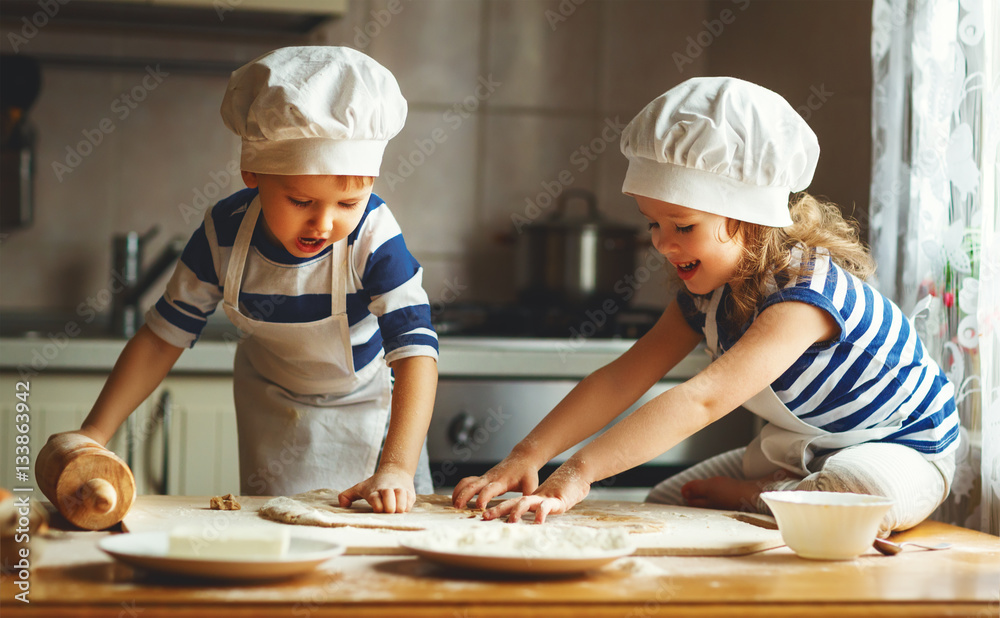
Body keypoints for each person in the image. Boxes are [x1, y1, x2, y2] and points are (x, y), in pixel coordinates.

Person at [452, 77, 959, 535]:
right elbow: (620, 378)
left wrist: (578, 473)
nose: (661, 244)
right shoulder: (703, 297)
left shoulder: (807, 294)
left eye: (683, 226)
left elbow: (704, 399)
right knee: (668, 502)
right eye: (653, 224)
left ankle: (766, 497)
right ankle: (784, 495)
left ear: (752, 218)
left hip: (904, 450)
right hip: (802, 451)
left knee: (856, 491)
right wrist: (528, 455)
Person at [58, 46, 439, 513]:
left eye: (347, 203)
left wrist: (398, 466)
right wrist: (94, 433)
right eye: (301, 201)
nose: (323, 223)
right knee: (285, 531)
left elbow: (415, 351)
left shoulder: (375, 235)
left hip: (377, 415)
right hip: (274, 408)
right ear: (252, 173)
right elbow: (161, 339)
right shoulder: (223, 231)